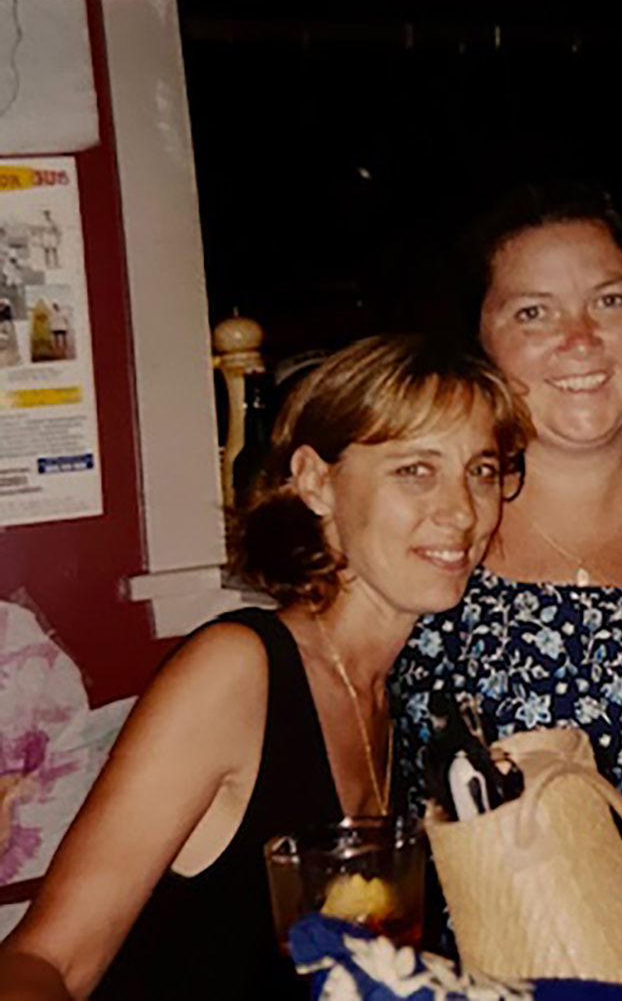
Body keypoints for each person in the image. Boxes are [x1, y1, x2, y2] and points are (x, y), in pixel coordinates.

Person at [0, 334, 526, 1000]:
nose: (462, 510)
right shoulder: (236, 672)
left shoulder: (399, 694)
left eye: (481, 470)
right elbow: (46, 959)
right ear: (316, 482)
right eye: (416, 470)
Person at [389, 183, 622, 893]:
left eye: (609, 300)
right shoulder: (429, 537)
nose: (580, 338)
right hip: (465, 951)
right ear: (480, 343)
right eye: (533, 311)